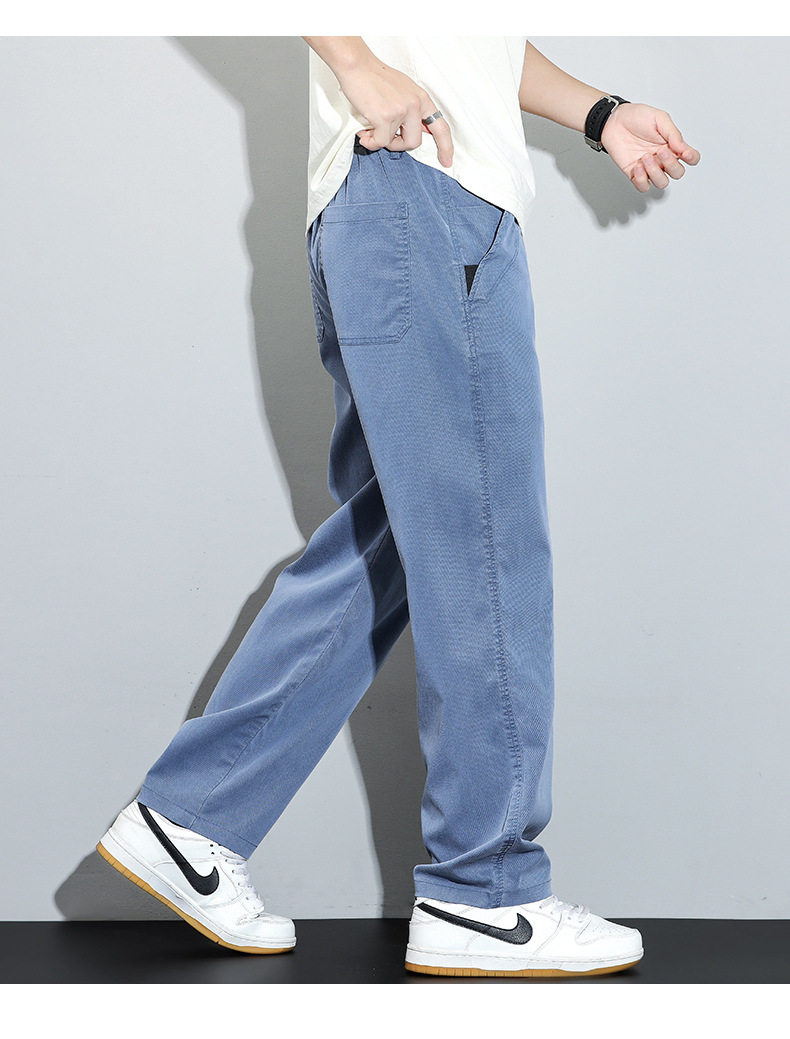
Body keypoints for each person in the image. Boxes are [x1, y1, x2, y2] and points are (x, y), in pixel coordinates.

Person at [97, 36, 700, 978]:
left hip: (391, 207)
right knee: (486, 541)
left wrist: (598, 112)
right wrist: (355, 62)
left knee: (390, 540)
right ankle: (485, 890)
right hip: (430, 195)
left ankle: (192, 817)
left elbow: (477, 37)